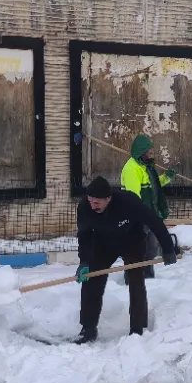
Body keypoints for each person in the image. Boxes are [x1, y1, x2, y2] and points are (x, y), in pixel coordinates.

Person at [74, 176, 178, 344]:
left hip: (132, 241)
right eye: (91, 201)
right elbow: (84, 236)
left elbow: (154, 222)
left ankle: (137, 329)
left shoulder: (128, 202)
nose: (93, 206)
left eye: (97, 203)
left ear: (108, 198)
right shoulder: (85, 208)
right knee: (91, 279)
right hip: (103, 243)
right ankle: (88, 328)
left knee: (136, 279)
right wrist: (84, 262)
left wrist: (167, 248)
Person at [120, 134, 177, 280]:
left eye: (151, 151)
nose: (151, 154)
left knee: (151, 248)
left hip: (150, 215)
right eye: (148, 151)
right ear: (141, 151)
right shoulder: (132, 169)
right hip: (139, 217)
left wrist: (167, 177)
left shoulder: (146, 166)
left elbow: (153, 186)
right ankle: (133, 279)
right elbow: (133, 198)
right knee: (137, 250)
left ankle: (148, 278)